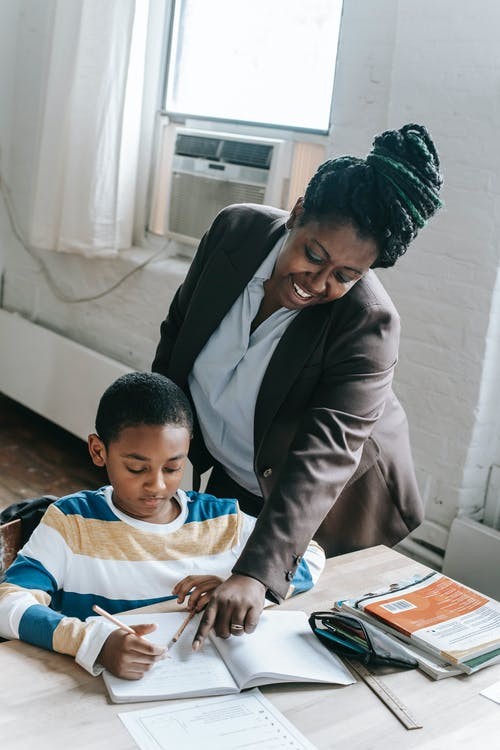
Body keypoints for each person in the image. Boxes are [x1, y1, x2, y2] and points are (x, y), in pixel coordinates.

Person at [152, 123, 443, 648]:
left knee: (294, 651)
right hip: (238, 470)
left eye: (346, 275)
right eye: (313, 255)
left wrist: (258, 573)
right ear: (299, 211)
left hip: (323, 509)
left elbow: (324, 455)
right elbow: (177, 341)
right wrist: (153, 457)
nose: (318, 282)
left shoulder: (368, 323)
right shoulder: (232, 233)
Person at [0, 372, 324, 679]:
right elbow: (8, 603)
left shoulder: (221, 518)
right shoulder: (72, 521)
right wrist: (93, 642)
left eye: (172, 468)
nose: (156, 485)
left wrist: (243, 585)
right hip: (99, 693)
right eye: (136, 468)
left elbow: (309, 554)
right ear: (99, 451)